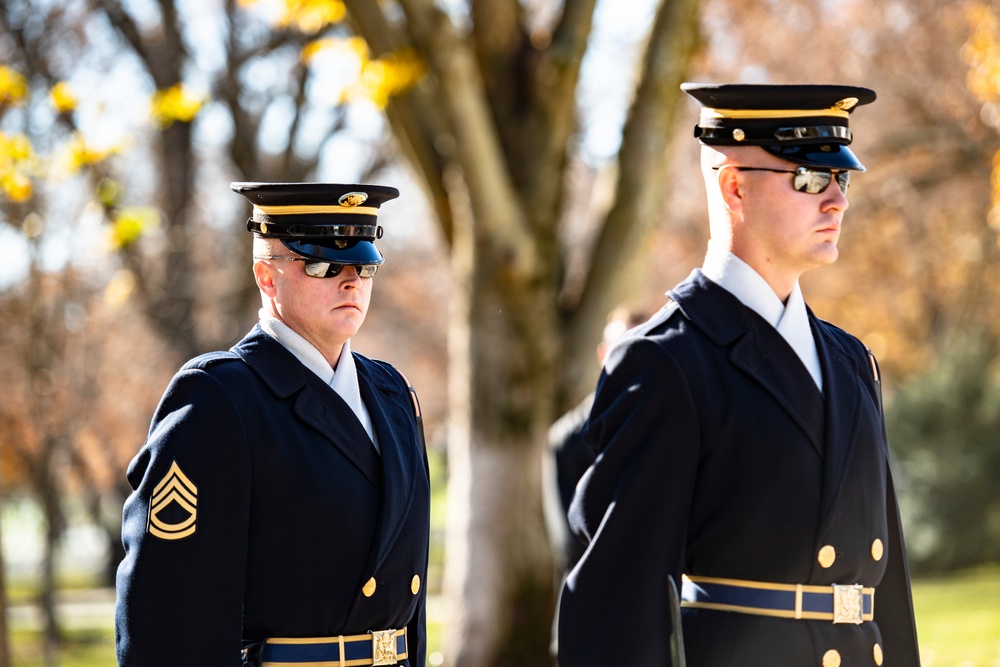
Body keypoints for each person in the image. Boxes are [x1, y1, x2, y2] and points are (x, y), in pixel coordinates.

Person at [558, 84, 921, 667]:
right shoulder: (663, 362)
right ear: (734, 187)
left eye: (842, 179)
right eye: (808, 179)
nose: (836, 201)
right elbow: (614, 612)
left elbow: (888, 594)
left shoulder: (851, 360)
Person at [115, 182, 430, 667]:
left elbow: (409, 602)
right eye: (324, 265)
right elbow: (168, 611)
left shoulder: (392, 395)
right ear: (266, 277)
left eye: (364, 266)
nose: (351, 281)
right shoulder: (219, 399)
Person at [541, 307, 648, 656]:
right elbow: (570, 544)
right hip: (593, 619)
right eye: (624, 346)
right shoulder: (569, 439)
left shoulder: (676, 428)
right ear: (603, 354)